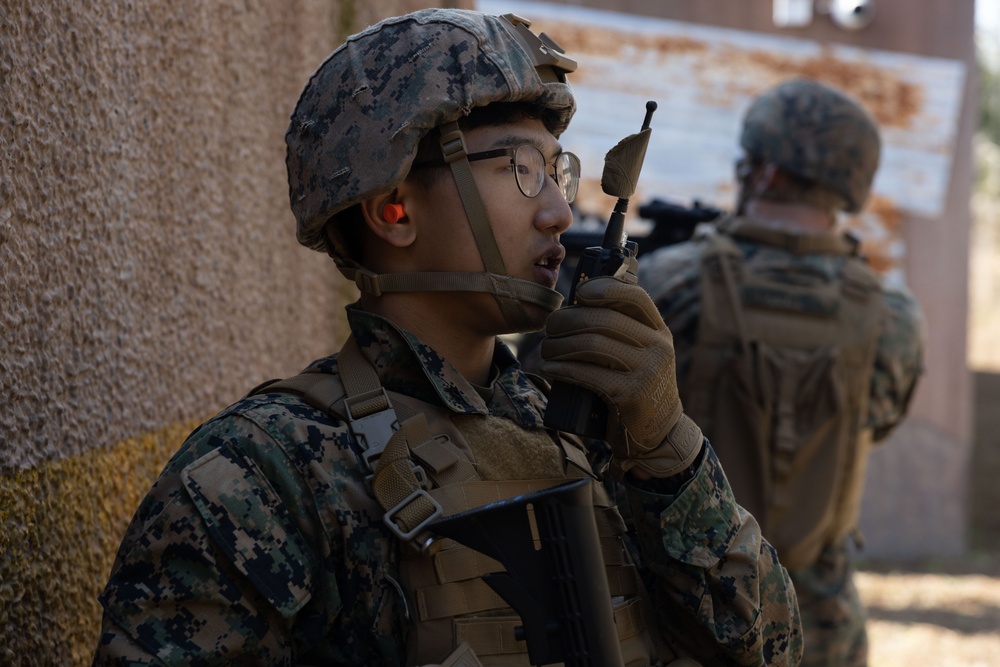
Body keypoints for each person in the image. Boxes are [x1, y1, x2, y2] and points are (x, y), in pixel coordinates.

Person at [92, 9, 803, 666]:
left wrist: (670, 452)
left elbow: (769, 649)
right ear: (393, 210)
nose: (558, 210)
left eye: (557, 168)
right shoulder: (259, 475)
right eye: (521, 170)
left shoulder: (593, 428)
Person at [637, 79, 925, 667]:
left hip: (681, 617)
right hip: (822, 624)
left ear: (763, 172)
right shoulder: (892, 316)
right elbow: (879, 421)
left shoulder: (667, 284)